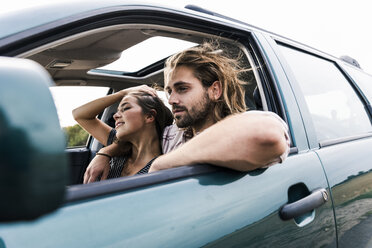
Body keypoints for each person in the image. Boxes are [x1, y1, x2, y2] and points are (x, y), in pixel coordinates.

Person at [83, 42, 290, 183]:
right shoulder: (170, 134)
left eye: (182, 89)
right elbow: (132, 142)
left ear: (214, 90)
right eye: (169, 91)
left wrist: (161, 165)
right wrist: (104, 153)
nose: (172, 100)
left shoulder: (240, 127)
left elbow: (268, 135)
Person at [73, 88, 173, 179]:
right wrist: (121, 93)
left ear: (149, 116)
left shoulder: (163, 166)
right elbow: (79, 114)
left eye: (125, 108)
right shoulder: (117, 144)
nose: (115, 116)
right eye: (117, 111)